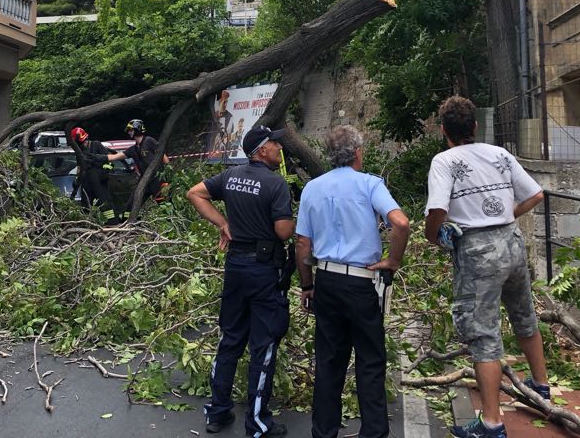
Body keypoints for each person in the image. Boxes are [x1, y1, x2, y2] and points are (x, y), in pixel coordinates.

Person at [424, 96, 550, 438]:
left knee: (483, 334)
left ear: (443, 131)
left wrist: (433, 235)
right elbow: (536, 194)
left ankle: (492, 422)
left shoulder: (444, 161)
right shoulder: (499, 154)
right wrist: (507, 216)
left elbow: (437, 208)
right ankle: (541, 387)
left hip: (477, 250)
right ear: (475, 126)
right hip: (511, 241)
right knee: (524, 314)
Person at [295, 125, 410, 438]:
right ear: (358, 152)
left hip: (326, 279)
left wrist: (307, 285)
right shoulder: (370, 184)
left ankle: (324, 432)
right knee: (370, 359)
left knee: (329, 360)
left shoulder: (311, 188)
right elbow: (400, 222)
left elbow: (302, 243)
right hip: (362, 281)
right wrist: (393, 260)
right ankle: (373, 432)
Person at [187, 126, 294, 437]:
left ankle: (218, 413)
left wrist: (223, 222)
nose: (279, 148)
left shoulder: (231, 176)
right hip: (263, 271)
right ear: (262, 150)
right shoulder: (276, 184)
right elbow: (284, 232)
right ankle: (258, 422)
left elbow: (194, 193)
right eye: (275, 143)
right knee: (264, 345)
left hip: (236, 266)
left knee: (230, 338)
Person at [69, 127, 123, 223]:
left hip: (99, 178)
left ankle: (112, 223)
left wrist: (104, 172)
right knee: (86, 203)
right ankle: (88, 223)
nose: (82, 145)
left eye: (82, 142)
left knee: (105, 203)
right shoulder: (79, 151)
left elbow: (109, 160)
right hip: (86, 179)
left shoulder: (96, 145)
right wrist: (77, 180)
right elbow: (79, 167)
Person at [122, 118, 170, 208]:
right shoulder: (134, 148)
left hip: (158, 179)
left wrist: (168, 174)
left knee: (165, 204)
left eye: (130, 130)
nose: (128, 132)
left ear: (137, 129)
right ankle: (130, 220)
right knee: (133, 202)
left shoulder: (149, 140)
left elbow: (163, 155)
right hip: (145, 180)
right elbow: (117, 156)